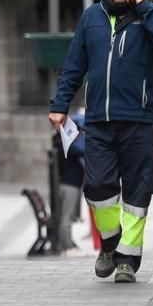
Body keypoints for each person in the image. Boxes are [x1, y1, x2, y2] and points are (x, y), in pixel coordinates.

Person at [49, 0, 153, 283]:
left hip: (140, 120)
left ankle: (127, 261)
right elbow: (74, 66)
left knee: (137, 192)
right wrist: (59, 104)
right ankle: (109, 241)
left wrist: (145, 7)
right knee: (96, 185)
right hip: (99, 121)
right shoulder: (92, 17)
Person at [55, 110, 86, 257]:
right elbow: (83, 149)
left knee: (68, 216)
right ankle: (66, 246)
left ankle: (67, 244)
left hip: (71, 184)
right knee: (67, 217)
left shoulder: (63, 142)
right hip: (70, 185)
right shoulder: (67, 143)